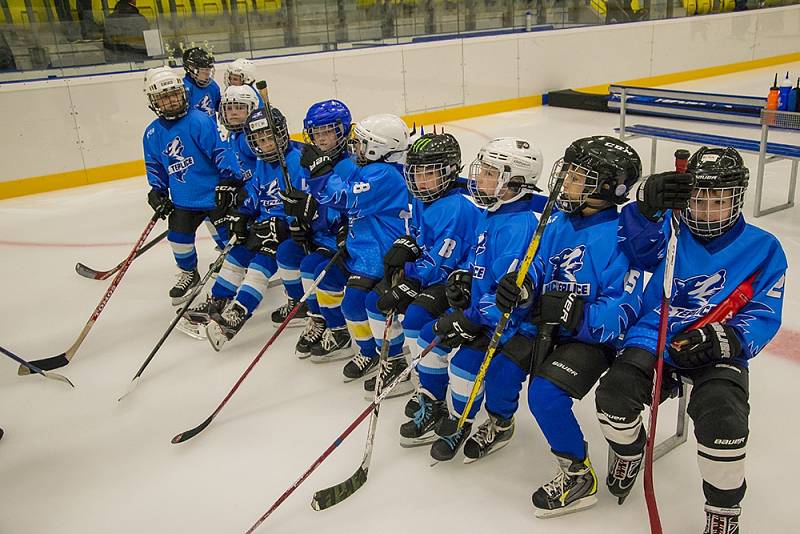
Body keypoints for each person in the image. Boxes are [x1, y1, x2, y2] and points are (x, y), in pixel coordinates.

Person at [595, 147, 787, 532]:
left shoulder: (764, 248)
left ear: (737, 199)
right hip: (657, 333)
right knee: (613, 397)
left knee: (725, 421)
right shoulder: (669, 226)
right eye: (699, 198)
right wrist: (646, 207)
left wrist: (729, 339)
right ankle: (629, 451)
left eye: (719, 200)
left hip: (716, 345)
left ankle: (723, 510)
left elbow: (765, 311)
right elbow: (634, 250)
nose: (707, 209)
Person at [491, 136, 644, 517]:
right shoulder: (558, 220)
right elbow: (537, 263)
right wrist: (521, 285)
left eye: (577, 177)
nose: (564, 182)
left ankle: (578, 473)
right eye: (568, 173)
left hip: (590, 338)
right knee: (499, 372)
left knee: (544, 396)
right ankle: (499, 422)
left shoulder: (625, 234)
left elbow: (624, 303)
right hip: (544, 321)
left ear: (607, 188)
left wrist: (578, 316)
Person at [399, 137, 543, 460]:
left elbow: (511, 296)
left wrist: (473, 319)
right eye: (483, 171)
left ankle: (461, 419)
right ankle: (434, 402)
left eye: (491, 174)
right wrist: (460, 280)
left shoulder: (518, 227)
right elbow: (475, 264)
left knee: (464, 366)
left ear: (516, 182)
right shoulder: (492, 212)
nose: (478, 179)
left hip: (503, 326)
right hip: (477, 313)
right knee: (426, 336)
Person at [281, 113, 410, 372]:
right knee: (324, 277)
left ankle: (381, 354)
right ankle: (341, 334)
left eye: (363, 142)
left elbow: (343, 196)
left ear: (378, 147)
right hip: (359, 247)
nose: (356, 147)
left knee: (354, 302)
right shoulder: (371, 168)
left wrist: (319, 168)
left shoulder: (385, 175)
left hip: (377, 256)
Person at [363, 132, 481, 400]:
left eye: (429, 173)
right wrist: (407, 245)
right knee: (374, 301)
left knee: (416, 317)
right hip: (425, 271)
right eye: (415, 172)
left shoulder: (457, 209)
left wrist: (411, 277)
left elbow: (441, 265)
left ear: (450, 171)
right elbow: (420, 237)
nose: (420, 180)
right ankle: (397, 364)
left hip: (451, 280)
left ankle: (430, 386)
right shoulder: (420, 197)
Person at [142, 66, 239, 304]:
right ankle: (189, 273)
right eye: (164, 97)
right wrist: (157, 191)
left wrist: (229, 178)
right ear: (154, 102)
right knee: (178, 237)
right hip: (184, 199)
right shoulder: (152, 133)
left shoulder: (199, 121)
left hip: (214, 195)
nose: (171, 100)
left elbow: (220, 152)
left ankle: (236, 268)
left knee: (228, 237)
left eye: (174, 94)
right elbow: (155, 165)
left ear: (183, 93)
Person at [204, 108, 299, 350]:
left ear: (282, 134)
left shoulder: (297, 161)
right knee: (236, 255)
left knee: (259, 267)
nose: (266, 145)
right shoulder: (262, 163)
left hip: (287, 230)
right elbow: (255, 193)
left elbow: (307, 204)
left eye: (270, 138)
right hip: (262, 224)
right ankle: (217, 300)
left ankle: (237, 313)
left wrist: (285, 223)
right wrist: (241, 213)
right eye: (260, 141)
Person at [182, 47, 221, 119]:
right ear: (192, 69)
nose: (208, 74)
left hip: (212, 129)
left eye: (209, 70)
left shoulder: (212, 85)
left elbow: (219, 106)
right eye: (204, 70)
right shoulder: (184, 89)